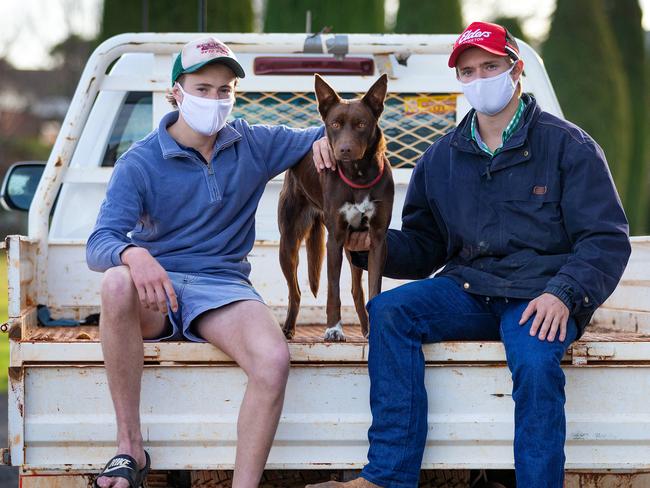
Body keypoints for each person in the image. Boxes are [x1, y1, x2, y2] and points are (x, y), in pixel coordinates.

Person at [308, 21, 631, 488]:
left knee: (538, 364)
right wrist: (365, 250)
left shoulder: (568, 147)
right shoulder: (440, 158)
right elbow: (424, 247)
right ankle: (387, 477)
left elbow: (605, 238)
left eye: (491, 67)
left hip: (537, 297)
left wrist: (564, 294)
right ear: (458, 79)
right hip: (467, 290)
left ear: (515, 69)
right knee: (390, 311)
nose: (480, 78)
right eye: (468, 71)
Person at [86, 36, 323, 488]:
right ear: (176, 91)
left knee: (273, 359)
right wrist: (135, 255)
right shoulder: (139, 161)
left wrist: (325, 144)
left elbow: (329, 129)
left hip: (223, 288)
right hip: (158, 291)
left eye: (224, 91)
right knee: (115, 283)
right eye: (202, 88)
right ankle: (128, 448)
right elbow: (100, 241)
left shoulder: (253, 143)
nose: (214, 100)